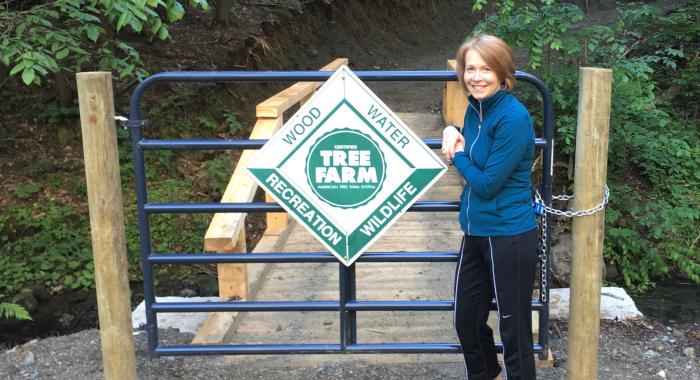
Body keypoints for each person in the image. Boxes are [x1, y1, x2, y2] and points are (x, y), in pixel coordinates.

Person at [441, 34, 538, 380]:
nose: (476, 77)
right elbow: (473, 143)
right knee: (465, 319)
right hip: (477, 231)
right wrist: (453, 128)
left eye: (486, 69)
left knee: (514, 330)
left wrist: (457, 154)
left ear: (503, 73)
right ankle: (486, 375)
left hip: (509, 234)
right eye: (470, 69)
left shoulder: (513, 118)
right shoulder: (475, 108)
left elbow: (487, 183)